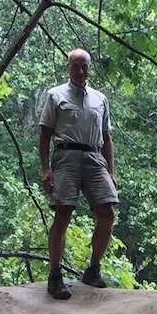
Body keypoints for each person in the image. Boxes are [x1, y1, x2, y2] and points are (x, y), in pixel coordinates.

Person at [38, 48, 118, 300]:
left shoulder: (100, 99)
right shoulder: (55, 95)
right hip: (66, 155)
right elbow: (44, 134)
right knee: (63, 213)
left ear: (89, 68)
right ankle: (54, 275)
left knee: (107, 212)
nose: (80, 71)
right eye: (76, 66)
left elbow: (106, 137)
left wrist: (111, 170)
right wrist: (46, 167)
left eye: (84, 66)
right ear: (68, 67)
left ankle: (93, 269)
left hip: (95, 157)